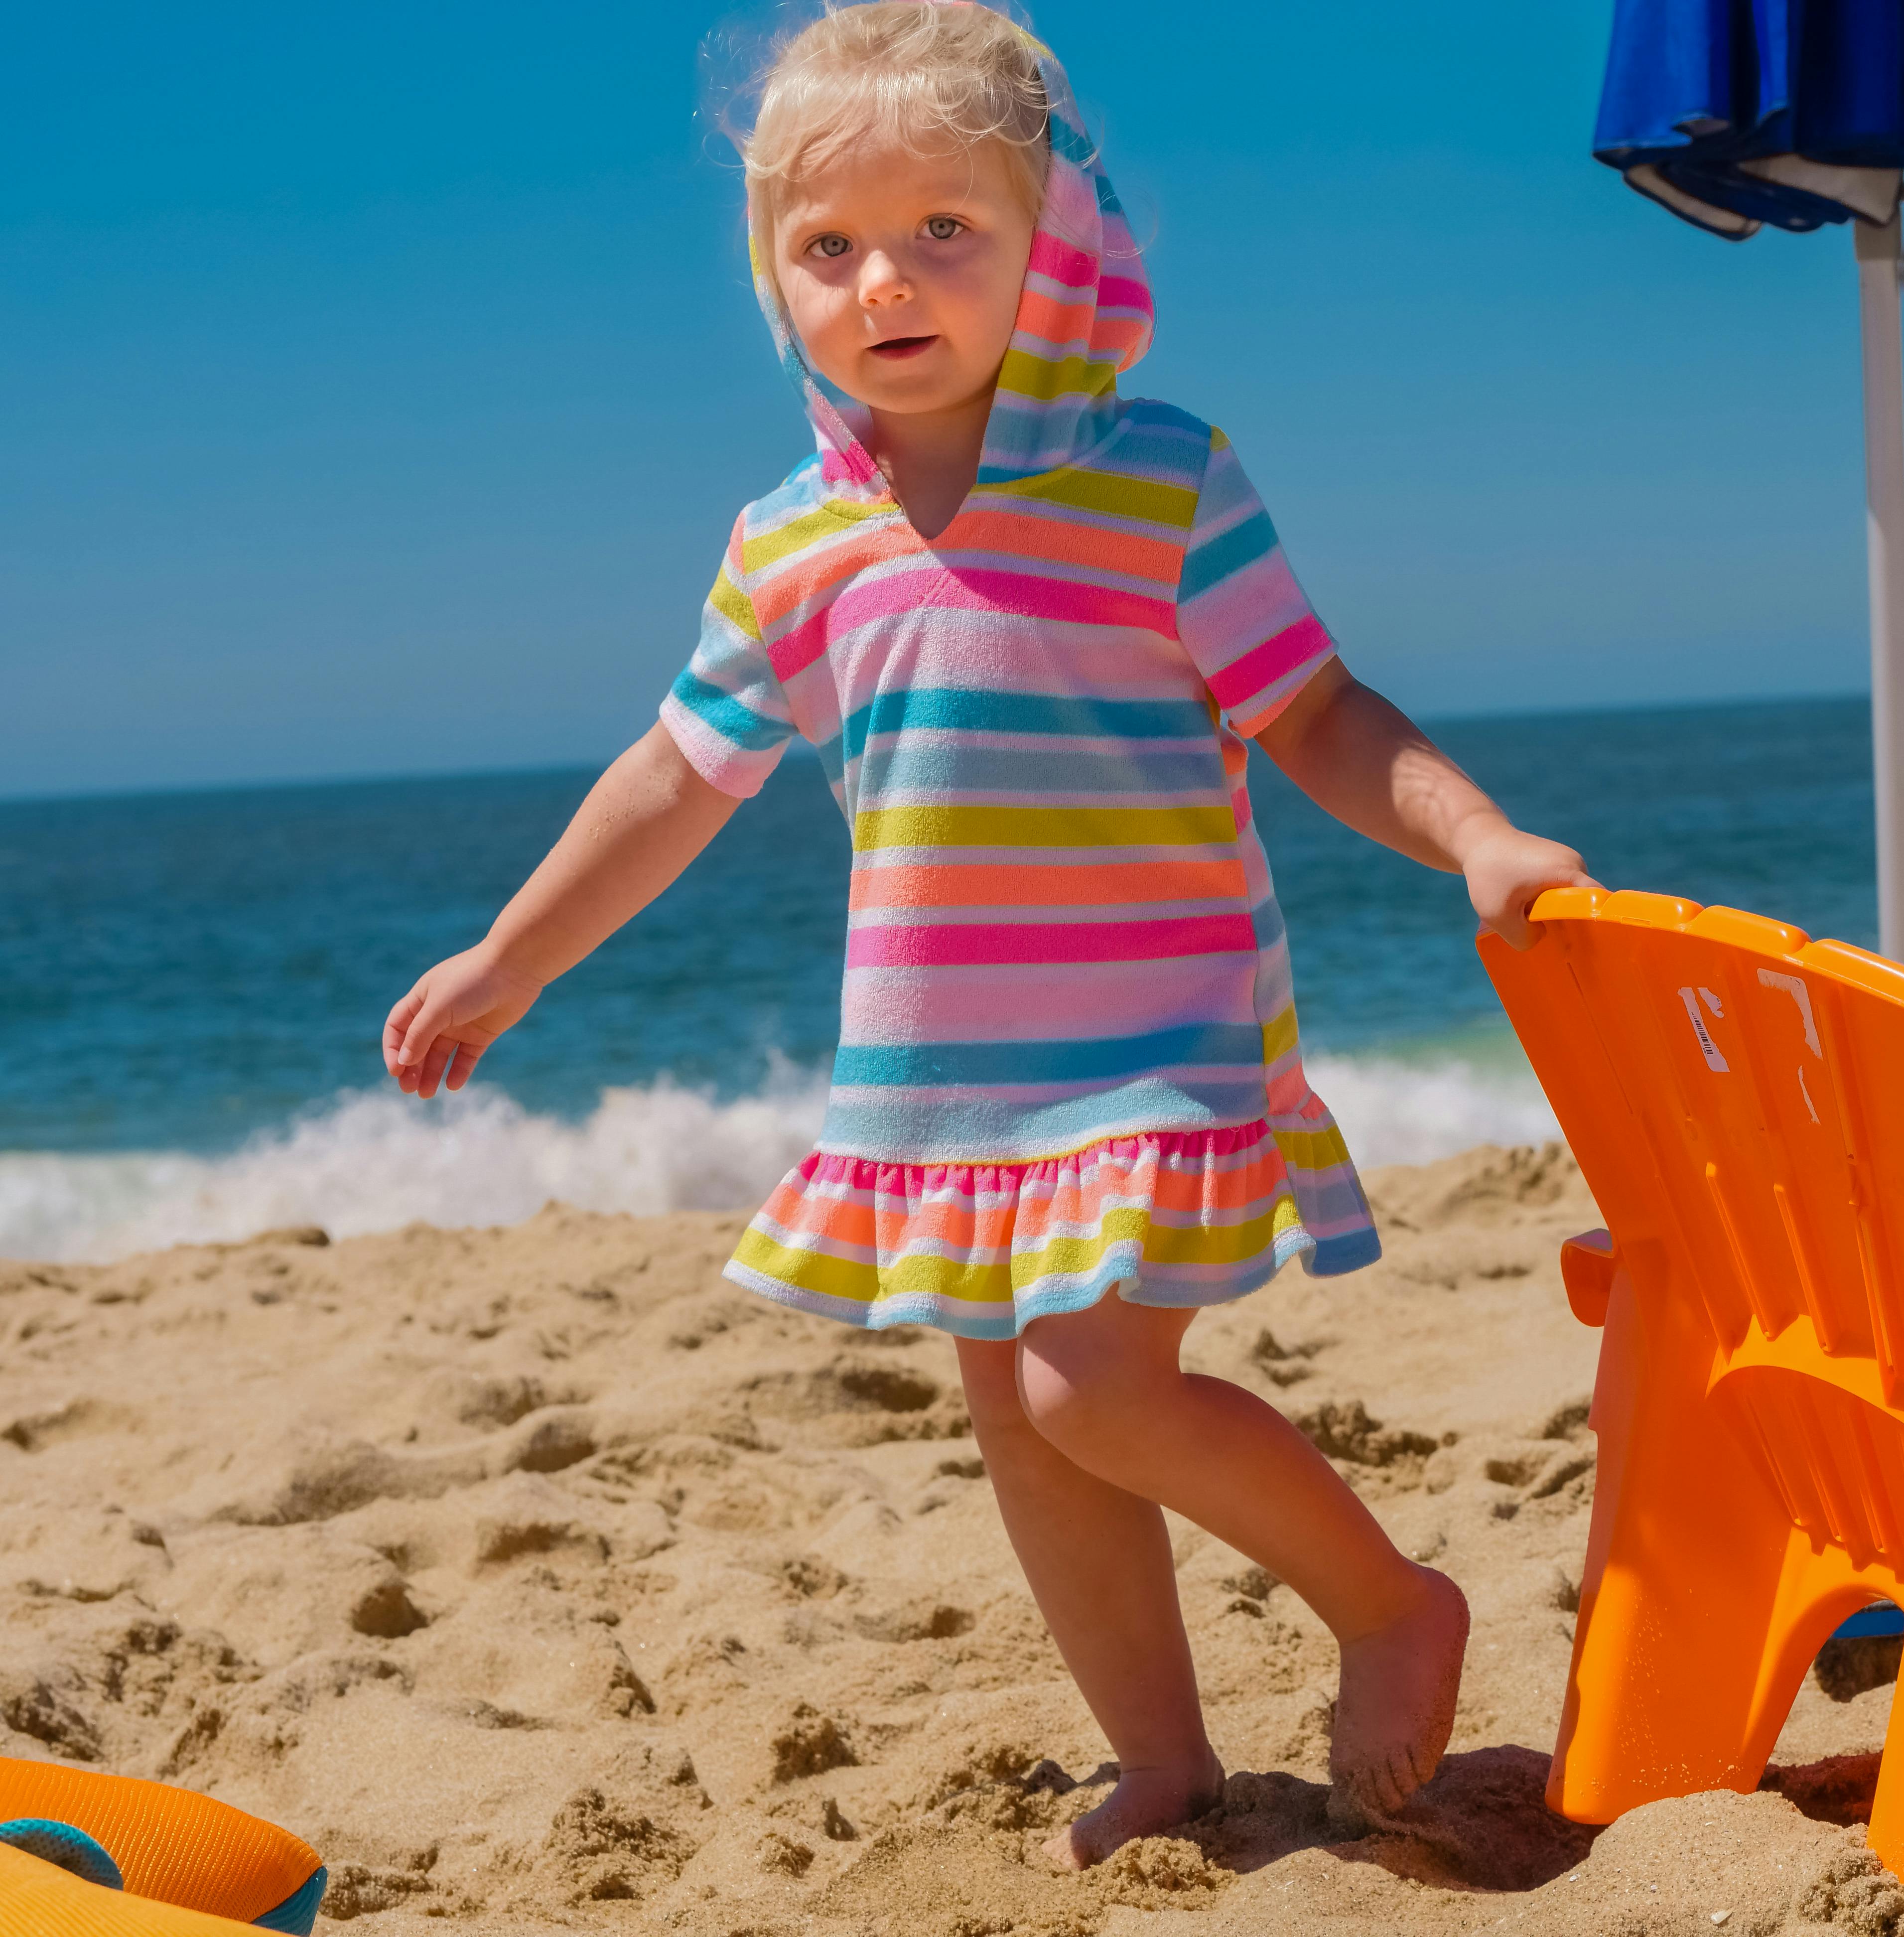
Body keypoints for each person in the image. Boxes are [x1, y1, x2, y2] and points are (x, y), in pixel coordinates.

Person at [382, 0, 1593, 1868]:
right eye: (829, 245)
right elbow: (677, 777)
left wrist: (1482, 838)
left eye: (945, 227)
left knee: (1087, 1389)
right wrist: (515, 956)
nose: (887, 279)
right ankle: (1169, 1756)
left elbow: (1319, 712)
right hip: (945, 1090)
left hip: (1156, 1048)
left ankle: (1389, 1605)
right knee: (1027, 1431)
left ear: (1052, 247)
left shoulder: (1155, 477)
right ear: (775, 278)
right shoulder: (792, 545)